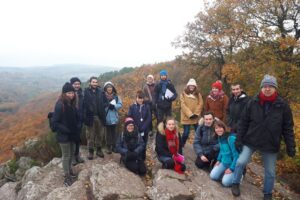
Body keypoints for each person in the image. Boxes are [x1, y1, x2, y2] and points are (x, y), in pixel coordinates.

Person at [231, 75, 296, 200]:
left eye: (270, 86)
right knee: (240, 162)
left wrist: (291, 145)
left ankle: (267, 193)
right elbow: (243, 122)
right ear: (261, 87)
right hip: (252, 139)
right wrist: (239, 139)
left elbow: (288, 128)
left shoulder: (282, 105)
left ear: (275, 88)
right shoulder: (252, 102)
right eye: (265, 86)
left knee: (270, 172)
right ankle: (235, 183)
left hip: (270, 143)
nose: (267, 89)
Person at [52, 82, 80, 186]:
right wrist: (66, 129)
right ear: (64, 93)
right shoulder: (60, 105)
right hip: (63, 136)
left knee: (71, 153)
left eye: (72, 93)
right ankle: (67, 176)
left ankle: (70, 170)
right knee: (66, 155)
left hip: (72, 134)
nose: (71, 95)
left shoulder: (71, 104)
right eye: (69, 93)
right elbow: (55, 122)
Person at [210, 120, 239, 187]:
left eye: (220, 127)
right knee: (213, 176)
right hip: (224, 162)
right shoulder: (220, 137)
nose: (218, 130)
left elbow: (236, 155)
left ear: (224, 128)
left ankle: (239, 176)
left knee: (225, 182)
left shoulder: (230, 138)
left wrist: (231, 168)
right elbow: (221, 150)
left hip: (233, 165)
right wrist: (219, 160)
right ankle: (225, 173)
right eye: (216, 128)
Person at [83, 77, 105, 160]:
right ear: (90, 82)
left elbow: (105, 102)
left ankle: (99, 150)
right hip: (90, 117)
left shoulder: (101, 91)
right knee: (90, 135)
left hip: (99, 117)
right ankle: (91, 151)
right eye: (93, 82)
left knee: (100, 134)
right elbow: (83, 105)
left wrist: (105, 110)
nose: (95, 83)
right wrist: (85, 116)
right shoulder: (86, 92)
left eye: (96, 82)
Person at [128, 90, 152, 160]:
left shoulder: (147, 106)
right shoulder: (132, 107)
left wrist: (143, 127)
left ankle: (143, 159)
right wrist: (135, 127)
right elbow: (130, 117)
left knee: (144, 144)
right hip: (135, 130)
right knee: (136, 144)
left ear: (143, 98)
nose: (140, 100)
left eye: (141, 98)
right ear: (136, 98)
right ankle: (136, 158)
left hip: (145, 130)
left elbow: (149, 118)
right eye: (139, 98)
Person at [180, 78, 203, 146]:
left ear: (195, 86)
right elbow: (183, 105)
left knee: (198, 132)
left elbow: (200, 103)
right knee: (186, 133)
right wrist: (190, 114)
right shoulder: (183, 94)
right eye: (190, 85)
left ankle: (199, 145)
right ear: (188, 86)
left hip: (195, 117)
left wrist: (196, 113)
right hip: (186, 116)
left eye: (193, 86)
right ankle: (181, 144)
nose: (191, 87)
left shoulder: (198, 94)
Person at [103, 81, 122, 153]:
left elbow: (120, 104)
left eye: (110, 87)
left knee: (114, 133)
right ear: (105, 89)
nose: (109, 88)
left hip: (114, 118)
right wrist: (106, 106)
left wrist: (114, 106)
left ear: (113, 88)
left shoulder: (116, 97)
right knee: (107, 133)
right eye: (108, 87)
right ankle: (108, 147)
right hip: (106, 118)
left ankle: (114, 146)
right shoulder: (103, 96)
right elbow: (101, 105)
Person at [70, 77, 85, 165]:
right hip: (71, 121)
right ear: (72, 84)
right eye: (75, 84)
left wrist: (83, 117)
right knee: (71, 139)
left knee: (77, 139)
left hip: (79, 120)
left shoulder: (81, 94)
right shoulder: (69, 94)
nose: (77, 85)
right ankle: (72, 157)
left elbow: (83, 106)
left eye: (78, 84)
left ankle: (77, 155)